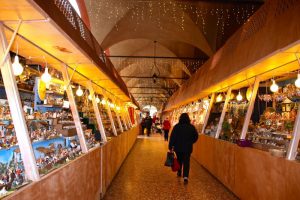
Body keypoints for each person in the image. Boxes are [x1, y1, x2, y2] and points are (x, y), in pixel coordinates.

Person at [168, 113, 198, 183]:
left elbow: (172, 137)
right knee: (186, 161)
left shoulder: (177, 127)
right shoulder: (191, 127)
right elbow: (196, 137)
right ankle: (185, 177)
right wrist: (191, 142)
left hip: (178, 147)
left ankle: (179, 172)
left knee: (179, 160)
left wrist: (170, 146)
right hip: (188, 148)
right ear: (188, 119)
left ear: (180, 118)